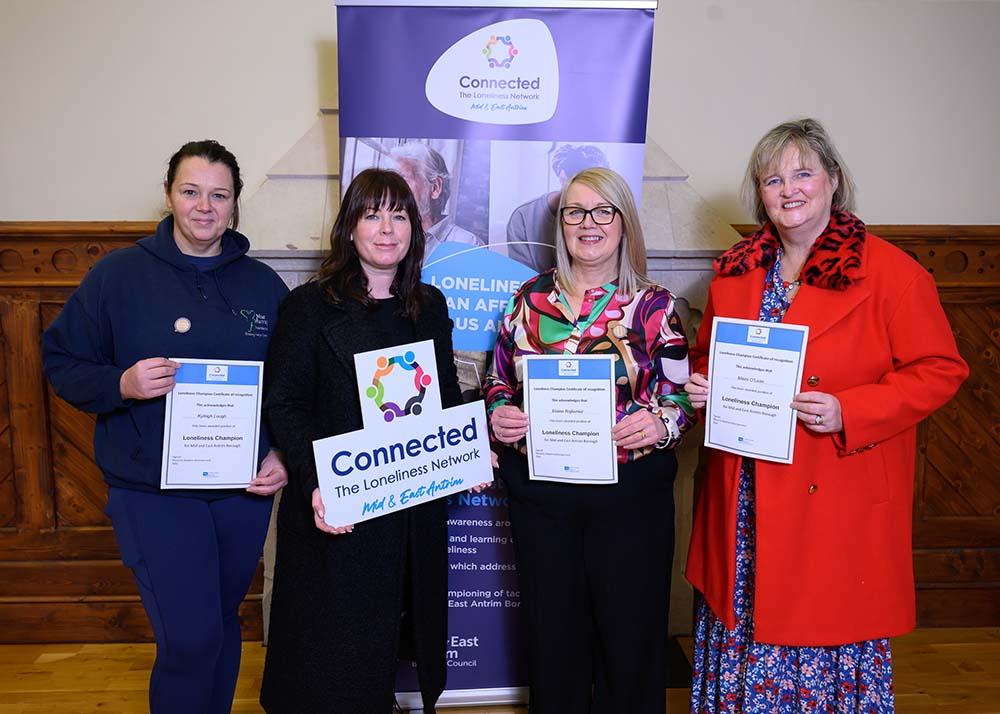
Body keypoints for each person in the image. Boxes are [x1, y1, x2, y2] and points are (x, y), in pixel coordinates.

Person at [683, 118, 969, 712]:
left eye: (803, 173)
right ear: (759, 194)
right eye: (772, 178)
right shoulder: (734, 274)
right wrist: (703, 384)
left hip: (834, 499)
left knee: (823, 628)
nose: (789, 189)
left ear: (833, 181)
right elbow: (704, 357)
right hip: (743, 501)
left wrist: (849, 409)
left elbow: (941, 369)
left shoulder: (892, 272)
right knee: (743, 630)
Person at [42, 140, 290, 714]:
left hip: (239, 493)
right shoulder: (117, 277)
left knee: (223, 625)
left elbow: (289, 389)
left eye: (219, 195)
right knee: (190, 638)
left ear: (234, 205)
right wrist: (121, 385)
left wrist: (279, 452)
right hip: (151, 491)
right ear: (169, 195)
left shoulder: (263, 288)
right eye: (191, 191)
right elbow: (61, 362)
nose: (204, 206)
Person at [483, 167, 696, 714]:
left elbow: (680, 401)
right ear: (562, 223)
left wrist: (659, 423)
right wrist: (500, 412)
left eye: (604, 211)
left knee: (631, 643)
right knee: (554, 643)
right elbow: (498, 379)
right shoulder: (527, 301)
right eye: (575, 212)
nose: (588, 223)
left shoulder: (656, 307)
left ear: (624, 223)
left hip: (630, 499)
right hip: (544, 499)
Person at [259, 168, 464, 713]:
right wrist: (315, 480)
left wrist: (470, 443)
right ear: (350, 227)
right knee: (329, 655)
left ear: (415, 229)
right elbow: (285, 403)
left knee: (396, 634)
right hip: (339, 505)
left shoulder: (429, 305)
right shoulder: (309, 306)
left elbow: (442, 398)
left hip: (411, 507)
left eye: (399, 215)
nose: (386, 228)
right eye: (372, 214)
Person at [506, 143, 610, 273]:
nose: (588, 224)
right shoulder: (523, 218)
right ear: (563, 178)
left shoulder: (613, 216)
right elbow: (521, 280)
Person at [389, 141, 483, 257]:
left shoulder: (467, 246)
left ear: (435, 188)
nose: (392, 192)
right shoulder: (386, 238)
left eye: (402, 181)